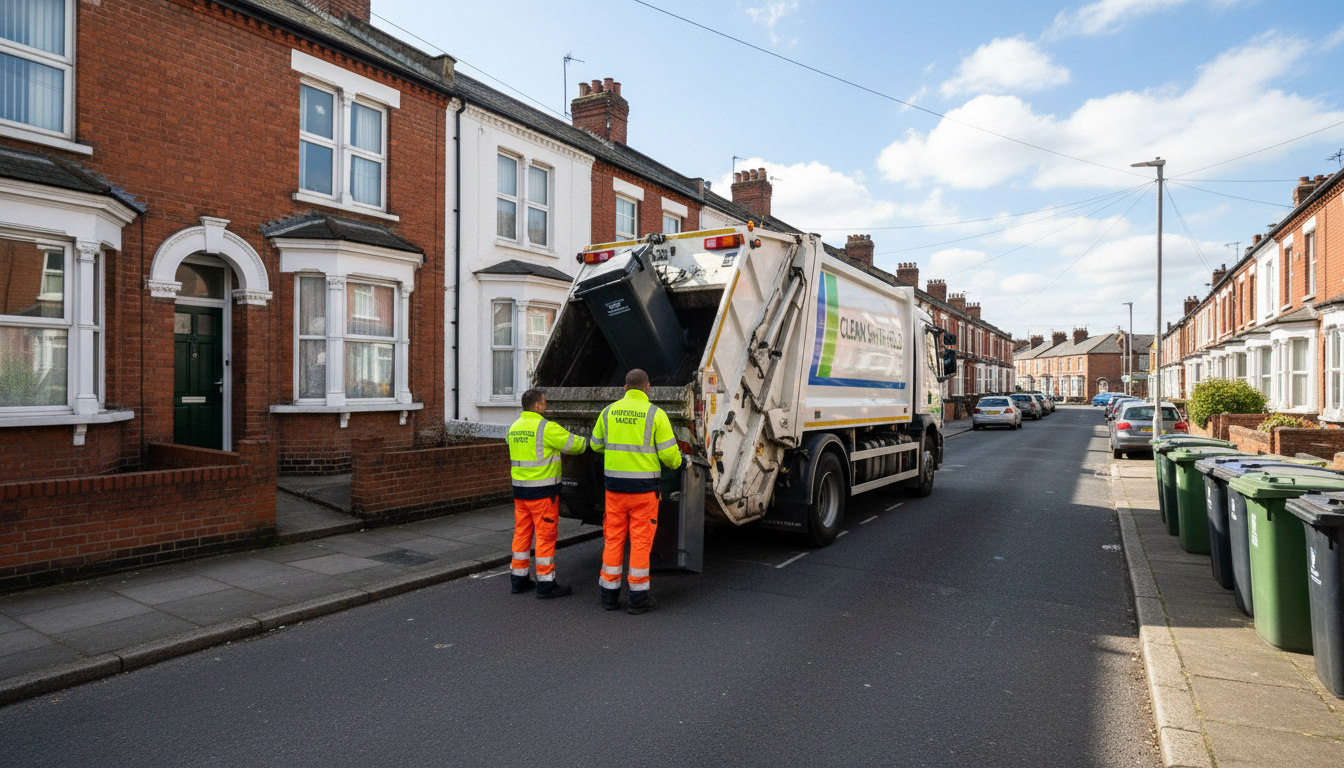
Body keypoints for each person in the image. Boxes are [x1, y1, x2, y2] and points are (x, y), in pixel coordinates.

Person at [590, 369, 682, 614]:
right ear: (648, 387)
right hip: (643, 492)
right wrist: (680, 462)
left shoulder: (608, 412)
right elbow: (670, 458)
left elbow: (595, 445)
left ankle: (608, 596)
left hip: (615, 491)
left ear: (624, 387)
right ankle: (638, 599)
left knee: (613, 540)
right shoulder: (656, 414)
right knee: (640, 543)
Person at [506, 388, 587, 598]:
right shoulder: (546, 428)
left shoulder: (514, 427)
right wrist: (590, 441)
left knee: (522, 534)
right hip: (543, 495)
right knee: (545, 537)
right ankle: (546, 583)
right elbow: (575, 446)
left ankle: (519, 579)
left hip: (520, 493)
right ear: (538, 405)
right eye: (544, 402)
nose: (546, 405)